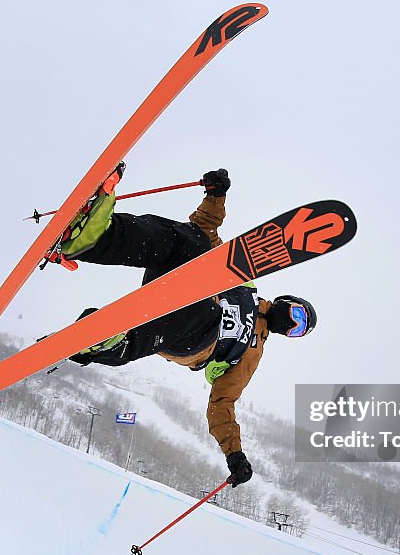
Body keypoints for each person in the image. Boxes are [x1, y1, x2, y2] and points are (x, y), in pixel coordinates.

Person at [59, 164, 317, 487]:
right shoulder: (246, 286)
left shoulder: (253, 352)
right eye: (298, 315)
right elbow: (208, 234)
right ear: (287, 300)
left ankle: (111, 340)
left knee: (191, 318)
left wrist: (234, 454)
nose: (292, 323)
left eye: (297, 329)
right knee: (190, 239)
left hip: (197, 338)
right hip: (177, 285)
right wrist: (216, 196)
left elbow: (222, 403)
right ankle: (94, 238)